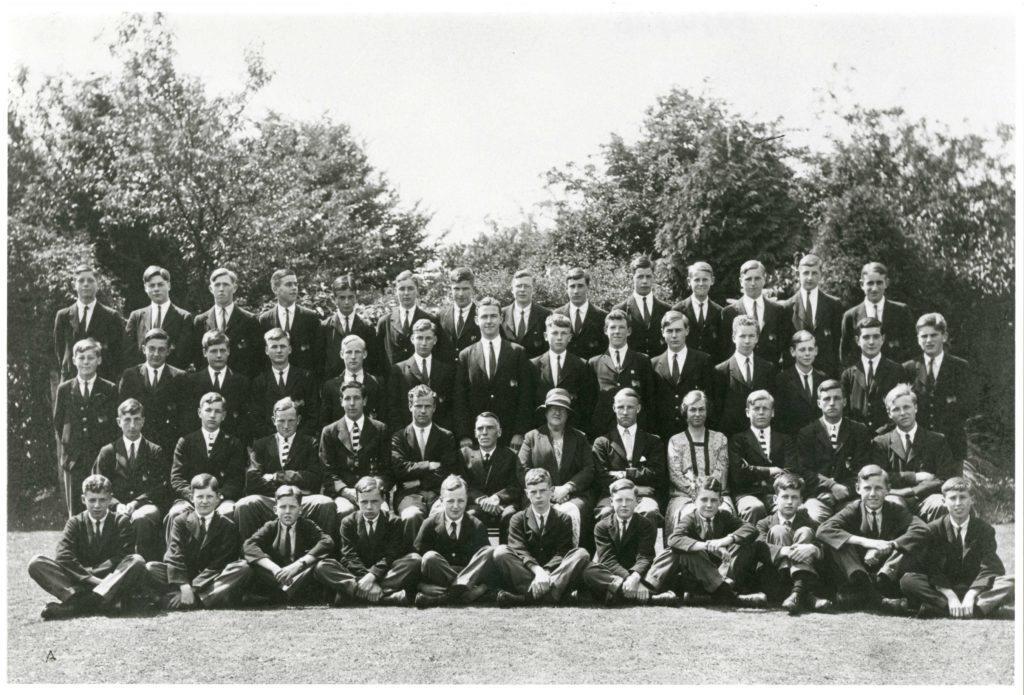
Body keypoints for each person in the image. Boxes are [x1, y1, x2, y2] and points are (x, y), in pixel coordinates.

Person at [28, 474, 147, 619]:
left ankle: (78, 605)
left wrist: (95, 575)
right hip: (82, 580)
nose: (97, 505)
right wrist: (91, 579)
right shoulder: (75, 522)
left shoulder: (121, 522)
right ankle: (99, 601)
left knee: (137, 561)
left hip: (111, 579)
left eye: (102, 500)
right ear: (83, 499)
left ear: (110, 499)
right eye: (92, 500)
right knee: (36, 563)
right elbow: (63, 556)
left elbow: (122, 556)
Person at [816, 464, 929, 611]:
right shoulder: (854, 508)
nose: (873, 494)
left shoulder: (895, 509)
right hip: (859, 570)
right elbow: (823, 530)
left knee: (910, 542)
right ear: (858, 489)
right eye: (867, 488)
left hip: (885, 572)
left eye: (879, 488)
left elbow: (922, 528)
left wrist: (890, 545)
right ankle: (874, 596)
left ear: (888, 489)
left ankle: (872, 591)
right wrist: (869, 543)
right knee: (838, 542)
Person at [899, 477, 1014, 619]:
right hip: (943, 588)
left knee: (1014, 582)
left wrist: (971, 594)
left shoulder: (985, 530)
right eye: (953, 498)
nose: (958, 503)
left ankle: (942, 609)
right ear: (944, 501)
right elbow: (931, 567)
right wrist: (950, 596)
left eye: (963, 497)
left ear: (972, 500)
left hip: (974, 585)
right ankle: (969, 610)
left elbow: (989, 566)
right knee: (908, 581)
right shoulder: (933, 530)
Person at [644, 478, 766, 607]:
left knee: (744, 540)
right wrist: (707, 546)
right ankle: (648, 590)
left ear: (721, 501)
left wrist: (725, 540)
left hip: (720, 574)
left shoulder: (724, 516)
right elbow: (674, 538)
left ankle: (714, 593)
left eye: (713, 500)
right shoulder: (690, 519)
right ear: (694, 501)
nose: (709, 505)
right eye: (704, 500)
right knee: (677, 550)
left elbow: (751, 529)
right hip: (694, 575)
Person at [143, 473, 251, 610]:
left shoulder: (227, 526)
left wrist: (193, 588)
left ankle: (195, 600)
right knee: (151, 568)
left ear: (218, 498)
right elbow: (174, 555)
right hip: (183, 576)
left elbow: (219, 564)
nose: (204, 501)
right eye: (200, 497)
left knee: (243, 568)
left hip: (210, 580)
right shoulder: (180, 521)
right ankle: (190, 597)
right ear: (191, 498)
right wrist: (184, 585)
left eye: (209, 496)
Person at [234, 397, 336, 538]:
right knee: (244, 505)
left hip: (301, 500)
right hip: (270, 501)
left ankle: (324, 550)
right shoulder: (261, 445)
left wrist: (276, 476)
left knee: (326, 503)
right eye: (281, 421)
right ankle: (248, 549)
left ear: (298, 420)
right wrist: (292, 483)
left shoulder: (310, 443)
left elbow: (314, 478)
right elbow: (252, 481)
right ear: (273, 420)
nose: (286, 426)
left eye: (291, 421)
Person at [492, 468, 591, 607]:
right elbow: (519, 550)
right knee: (501, 552)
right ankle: (551, 596)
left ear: (551, 491)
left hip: (553, 572)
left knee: (581, 554)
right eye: (533, 492)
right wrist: (537, 571)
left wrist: (546, 572)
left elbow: (562, 552)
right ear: (527, 493)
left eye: (543, 491)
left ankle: (526, 598)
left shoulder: (563, 519)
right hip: (527, 572)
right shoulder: (517, 519)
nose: (538, 496)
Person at [92, 399, 171, 560]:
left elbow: (160, 487)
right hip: (114, 505)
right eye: (127, 420)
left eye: (136, 419)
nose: (132, 425)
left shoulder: (154, 451)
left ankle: (142, 567)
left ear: (143, 421)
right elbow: (98, 486)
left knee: (140, 518)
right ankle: (109, 567)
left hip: (146, 505)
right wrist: (116, 504)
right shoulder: (108, 452)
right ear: (118, 422)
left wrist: (136, 503)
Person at [518, 388, 595, 546]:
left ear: (568, 414)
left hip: (573, 495)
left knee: (575, 511)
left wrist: (567, 488)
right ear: (546, 412)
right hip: (539, 493)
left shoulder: (579, 438)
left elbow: (589, 469)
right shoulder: (532, 437)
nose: (557, 412)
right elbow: (522, 469)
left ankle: (573, 555)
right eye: (553, 408)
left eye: (562, 409)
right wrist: (548, 491)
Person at [453, 296, 532, 449]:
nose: (489, 321)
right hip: (477, 436)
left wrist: (519, 432)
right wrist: (464, 434)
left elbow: (526, 396)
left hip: (509, 435)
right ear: (476, 320)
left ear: (501, 318)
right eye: (484, 316)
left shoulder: (517, 352)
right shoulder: (466, 355)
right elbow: (460, 398)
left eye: (493, 316)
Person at [166, 393, 246, 542]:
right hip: (190, 499)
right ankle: (174, 555)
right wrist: (193, 497)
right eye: (208, 410)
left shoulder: (233, 443)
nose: (212, 415)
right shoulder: (185, 442)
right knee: (176, 512)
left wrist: (218, 497)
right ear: (199, 412)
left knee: (228, 512)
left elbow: (236, 479)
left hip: (221, 499)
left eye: (217, 411)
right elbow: (177, 478)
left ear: (224, 415)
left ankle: (224, 555)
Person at [330, 476, 422, 605]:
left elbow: (390, 555)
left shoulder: (394, 521)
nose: (369, 507)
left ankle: (354, 594)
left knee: (414, 560)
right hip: (357, 572)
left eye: (374, 501)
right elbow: (349, 555)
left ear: (383, 500)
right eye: (364, 502)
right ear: (356, 501)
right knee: (324, 566)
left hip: (383, 572)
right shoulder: (348, 522)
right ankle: (386, 597)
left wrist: (372, 576)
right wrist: (366, 578)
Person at [872, 383, 958, 521]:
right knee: (892, 504)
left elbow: (944, 477)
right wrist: (914, 477)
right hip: (894, 496)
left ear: (915, 408)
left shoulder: (936, 440)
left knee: (940, 504)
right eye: (896, 409)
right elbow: (879, 477)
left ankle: (935, 536)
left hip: (927, 497)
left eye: (906, 407)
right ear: (889, 414)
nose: (903, 413)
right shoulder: (881, 443)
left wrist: (911, 491)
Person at [237, 485, 337, 603]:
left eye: (292, 507)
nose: (287, 511)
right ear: (275, 510)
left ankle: (282, 596)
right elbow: (248, 545)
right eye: (283, 507)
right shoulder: (270, 526)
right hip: (276, 576)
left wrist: (299, 564)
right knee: (248, 564)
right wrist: (274, 568)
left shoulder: (307, 525)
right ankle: (281, 595)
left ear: (300, 510)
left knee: (319, 565)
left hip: (299, 574)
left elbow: (327, 542)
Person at [53, 338, 118, 516]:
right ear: (74, 360)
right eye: (81, 358)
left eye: (91, 357)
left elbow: (114, 425)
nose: (86, 362)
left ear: (99, 360)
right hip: (74, 458)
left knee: (101, 505)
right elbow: (59, 422)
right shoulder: (64, 389)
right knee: (76, 509)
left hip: (100, 456)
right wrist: (69, 447)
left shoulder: (109, 388)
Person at [412, 475, 496, 608]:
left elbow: (486, 566)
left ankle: (446, 597)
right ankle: (462, 593)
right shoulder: (429, 524)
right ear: (441, 501)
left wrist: (482, 588)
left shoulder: (476, 525)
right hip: (439, 576)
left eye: (461, 501)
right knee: (429, 557)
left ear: (467, 500)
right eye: (450, 501)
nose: (456, 506)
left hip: (468, 573)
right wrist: (421, 586)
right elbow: (415, 561)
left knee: (489, 552)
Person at [796, 380, 875, 523]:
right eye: (827, 399)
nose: (832, 403)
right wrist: (830, 486)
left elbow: (863, 469)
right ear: (819, 403)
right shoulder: (807, 433)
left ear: (844, 402)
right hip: (818, 496)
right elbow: (804, 470)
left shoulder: (859, 430)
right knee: (814, 517)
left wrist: (844, 490)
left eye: (837, 398)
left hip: (850, 495)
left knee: (859, 517)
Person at [391, 385, 460, 546]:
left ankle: (439, 559)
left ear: (434, 407)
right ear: (410, 406)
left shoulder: (446, 436)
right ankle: (412, 557)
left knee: (443, 514)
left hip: (437, 494)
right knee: (412, 515)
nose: (423, 411)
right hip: (409, 495)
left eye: (427, 406)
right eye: (418, 406)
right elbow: (400, 469)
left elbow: (447, 471)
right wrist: (429, 465)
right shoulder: (399, 437)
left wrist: (419, 481)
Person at [754, 474, 832, 614]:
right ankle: (805, 595)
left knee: (805, 531)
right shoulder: (764, 523)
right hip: (775, 580)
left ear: (801, 500)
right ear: (775, 499)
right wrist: (784, 550)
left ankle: (796, 594)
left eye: (794, 497)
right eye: (785, 497)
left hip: (806, 579)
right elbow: (759, 548)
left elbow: (825, 546)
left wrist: (813, 549)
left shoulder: (810, 522)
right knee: (779, 530)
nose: (789, 502)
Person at [903, 312, 975, 462]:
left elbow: (968, 406)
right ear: (918, 339)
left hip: (952, 445)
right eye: (924, 336)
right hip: (918, 446)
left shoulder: (960, 367)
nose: (929, 340)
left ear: (944, 336)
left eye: (934, 335)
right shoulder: (908, 369)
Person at [591, 388, 666, 529]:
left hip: (644, 497)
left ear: (638, 408)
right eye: (620, 407)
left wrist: (622, 474)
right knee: (605, 512)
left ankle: (645, 545)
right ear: (614, 408)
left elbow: (656, 473)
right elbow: (601, 477)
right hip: (612, 496)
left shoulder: (652, 441)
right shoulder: (602, 442)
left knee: (650, 511)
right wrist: (635, 489)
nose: (625, 412)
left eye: (630, 407)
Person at [319, 381, 392, 519]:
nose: (352, 403)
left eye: (357, 398)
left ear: (364, 401)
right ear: (341, 401)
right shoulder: (329, 432)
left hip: (373, 493)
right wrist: (345, 491)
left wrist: (375, 486)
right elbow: (327, 471)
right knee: (344, 511)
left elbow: (387, 469)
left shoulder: (380, 429)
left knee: (383, 512)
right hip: (343, 494)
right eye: (347, 398)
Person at [582, 479, 660, 606]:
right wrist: (628, 579)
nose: (624, 504)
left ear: (637, 501)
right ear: (611, 502)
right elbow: (608, 560)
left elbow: (645, 556)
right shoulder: (602, 526)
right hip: (614, 573)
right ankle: (648, 596)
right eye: (619, 500)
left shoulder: (645, 524)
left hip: (637, 571)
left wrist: (635, 576)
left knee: (657, 572)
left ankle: (615, 595)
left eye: (629, 500)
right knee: (589, 572)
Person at [665, 390, 733, 534]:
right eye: (693, 410)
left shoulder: (720, 439)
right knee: (688, 513)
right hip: (684, 496)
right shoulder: (675, 441)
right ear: (685, 411)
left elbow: (721, 471)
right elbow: (675, 474)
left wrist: (709, 493)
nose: (697, 414)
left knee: (724, 513)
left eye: (701, 409)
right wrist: (697, 494)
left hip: (716, 495)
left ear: (707, 411)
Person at [727, 390, 796, 523]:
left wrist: (756, 473)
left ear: (772, 412)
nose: (761, 412)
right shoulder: (737, 440)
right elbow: (739, 473)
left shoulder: (785, 439)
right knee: (754, 508)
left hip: (777, 492)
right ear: (747, 412)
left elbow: (791, 470)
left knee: (791, 508)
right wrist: (771, 470)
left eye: (765, 408)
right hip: (747, 493)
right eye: (756, 408)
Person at [117, 327, 191, 451]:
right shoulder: (130, 375)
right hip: (139, 441)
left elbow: (185, 416)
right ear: (143, 349)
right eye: (151, 348)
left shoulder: (180, 377)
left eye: (161, 349)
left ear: (168, 351)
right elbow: (121, 410)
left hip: (169, 443)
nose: (156, 354)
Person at [587, 309, 655, 438]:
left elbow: (649, 400)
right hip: (604, 431)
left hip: (636, 430)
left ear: (629, 331)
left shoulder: (642, 360)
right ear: (605, 330)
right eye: (612, 327)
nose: (617, 331)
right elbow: (590, 402)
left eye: (621, 327)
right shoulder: (594, 363)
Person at [53, 264, 125, 383]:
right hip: (71, 382)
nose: (86, 284)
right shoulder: (63, 316)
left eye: (90, 280)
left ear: (98, 285)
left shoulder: (111, 316)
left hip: (102, 383)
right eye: (81, 280)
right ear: (74, 285)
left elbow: (117, 355)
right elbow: (59, 352)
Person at [649, 311, 712, 440]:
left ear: (687, 331)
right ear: (662, 332)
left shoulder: (703, 360)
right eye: (669, 331)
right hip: (664, 434)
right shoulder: (653, 364)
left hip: (695, 433)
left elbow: (710, 399)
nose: (674, 335)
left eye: (678, 330)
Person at [459, 412, 521, 543]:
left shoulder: (512, 455)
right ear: (475, 433)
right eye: (480, 428)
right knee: (470, 516)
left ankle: (506, 553)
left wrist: (496, 498)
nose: (484, 432)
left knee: (511, 516)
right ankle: (476, 554)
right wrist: (482, 500)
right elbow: (462, 485)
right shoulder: (464, 454)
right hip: (476, 504)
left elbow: (516, 486)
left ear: (499, 432)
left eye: (490, 428)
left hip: (503, 505)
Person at [248, 328, 319, 438]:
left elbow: (313, 415)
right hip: (270, 442)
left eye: (282, 346)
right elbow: (256, 419)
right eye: (274, 347)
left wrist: (295, 439)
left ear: (290, 349)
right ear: (266, 350)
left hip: (301, 441)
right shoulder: (259, 382)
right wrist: (278, 439)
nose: (279, 350)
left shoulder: (305, 377)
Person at [840, 261, 916, 366]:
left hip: (896, 373)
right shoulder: (850, 316)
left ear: (886, 283)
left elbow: (912, 349)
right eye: (870, 283)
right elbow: (846, 356)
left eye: (879, 283)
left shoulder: (901, 311)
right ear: (862, 284)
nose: (875, 288)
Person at [711, 315, 776, 435]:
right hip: (732, 434)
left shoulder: (768, 368)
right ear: (733, 338)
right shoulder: (721, 370)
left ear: (757, 338)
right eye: (742, 336)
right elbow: (718, 409)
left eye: (751, 336)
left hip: (760, 433)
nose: (747, 341)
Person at [387, 318, 455, 432]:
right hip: (408, 433)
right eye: (419, 338)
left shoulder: (446, 370)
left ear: (435, 340)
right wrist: (402, 433)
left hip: (439, 434)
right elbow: (393, 406)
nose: (424, 343)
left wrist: (443, 433)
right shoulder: (398, 370)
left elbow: (451, 406)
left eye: (428, 338)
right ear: (412, 339)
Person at [840, 317, 906, 434]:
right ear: (857, 340)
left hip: (887, 437)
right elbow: (844, 411)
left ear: (883, 339)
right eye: (866, 337)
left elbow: (901, 408)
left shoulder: (896, 370)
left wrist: (881, 433)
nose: (871, 342)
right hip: (857, 437)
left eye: (876, 337)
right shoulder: (848, 374)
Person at [530, 312, 595, 428]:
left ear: (570, 337)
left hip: (572, 427)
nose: (559, 338)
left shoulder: (581, 365)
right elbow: (528, 401)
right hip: (540, 426)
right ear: (545, 336)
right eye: (555, 333)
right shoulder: (533, 365)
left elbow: (586, 403)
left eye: (564, 333)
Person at [186, 330, 252, 444]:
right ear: (204, 352)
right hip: (201, 443)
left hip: (232, 443)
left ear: (228, 351)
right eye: (213, 351)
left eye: (222, 350)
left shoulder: (242, 382)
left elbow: (245, 420)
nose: (219, 355)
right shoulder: (192, 381)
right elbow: (190, 417)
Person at [193, 267, 261, 377]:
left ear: (234, 288)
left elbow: (256, 358)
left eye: (226, 285)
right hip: (209, 382)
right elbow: (198, 357)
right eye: (217, 285)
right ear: (211, 289)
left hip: (240, 382)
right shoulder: (200, 321)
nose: (221, 289)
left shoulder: (249, 320)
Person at [123, 265, 192, 370]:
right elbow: (129, 352)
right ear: (145, 288)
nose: (156, 289)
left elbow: (183, 355)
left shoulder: (183, 317)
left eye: (160, 284)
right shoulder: (136, 316)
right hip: (141, 376)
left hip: (172, 376)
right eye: (151, 285)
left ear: (168, 285)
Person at [718, 260, 786, 367]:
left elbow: (782, 346)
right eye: (748, 279)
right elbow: (725, 350)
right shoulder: (729, 313)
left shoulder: (777, 310)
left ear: (764, 279)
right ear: (741, 281)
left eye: (757, 278)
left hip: (770, 373)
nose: (753, 283)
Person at [783, 254, 842, 377]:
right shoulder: (787, 307)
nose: (809, 278)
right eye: (805, 273)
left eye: (814, 273)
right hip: (797, 375)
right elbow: (785, 347)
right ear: (798, 274)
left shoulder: (834, 305)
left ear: (821, 275)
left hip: (827, 373)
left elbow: (837, 343)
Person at [258, 268, 320, 375]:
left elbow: (317, 355)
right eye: (289, 284)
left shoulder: (310, 317)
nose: (294, 288)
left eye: (296, 284)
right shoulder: (265, 320)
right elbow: (262, 357)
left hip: (304, 379)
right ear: (275, 289)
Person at [376, 270, 438, 371]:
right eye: (401, 289)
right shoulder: (385, 322)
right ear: (396, 291)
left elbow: (436, 354)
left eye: (410, 288)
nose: (406, 293)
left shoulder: (430, 319)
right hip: (393, 377)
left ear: (417, 291)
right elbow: (379, 356)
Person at [319, 274, 378, 379]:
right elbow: (320, 363)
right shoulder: (325, 327)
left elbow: (373, 363)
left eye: (350, 297)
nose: (346, 302)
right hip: (332, 384)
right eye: (342, 298)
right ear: (335, 299)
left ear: (355, 298)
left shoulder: (366, 327)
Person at [613, 254, 670, 358]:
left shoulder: (666, 309)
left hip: (659, 365)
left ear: (653, 278)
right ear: (632, 278)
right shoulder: (620, 309)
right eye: (640, 277)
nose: (644, 281)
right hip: (632, 365)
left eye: (648, 276)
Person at [319, 334, 384, 425]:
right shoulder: (330, 386)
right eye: (349, 352)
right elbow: (325, 423)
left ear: (365, 354)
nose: (353, 356)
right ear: (342, 354)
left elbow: (383, 419)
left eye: (357, 352)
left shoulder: (377, 383)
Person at [773, 330, 826, 434]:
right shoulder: (782, 379)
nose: (807, 353)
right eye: (802, 350)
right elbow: (779, 417)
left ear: (816, 351)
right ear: (793, 351)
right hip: (793, 437)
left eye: (810, 349)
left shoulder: (823, 378)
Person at [671, 261, 724, 364]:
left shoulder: (719, 312)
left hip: (711, 367)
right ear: (689, 281)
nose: (701, 284)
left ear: (712, 281)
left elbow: (722, 346)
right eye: (696, 280)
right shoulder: (678, 310)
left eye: (705, 279)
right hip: (686, 365)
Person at [553, 267, 608, 361]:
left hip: (591, 369)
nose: (576, 291)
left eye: (580, 286)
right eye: (572, 286)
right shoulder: (557, 315)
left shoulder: (602, 316)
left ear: (588, 288)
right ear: (566, 289)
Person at [501, 269, 552, 358]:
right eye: (518, 286)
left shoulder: (545, 315)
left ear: (533, 290)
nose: (522, 289)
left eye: (527, 286)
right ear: (512, 290)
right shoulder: (501, 314)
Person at [436, 267, 481, 365]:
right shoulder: (440, 316)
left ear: (472, 289)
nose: (461, 294)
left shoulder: (481, 315)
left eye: (465, 289)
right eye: (456, 289)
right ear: (450, 289)